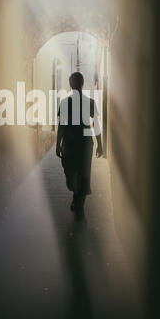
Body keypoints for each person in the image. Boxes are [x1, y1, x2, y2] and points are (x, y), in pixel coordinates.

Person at [56, 72, 103, 219]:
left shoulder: (72, 103)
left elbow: (62, 126)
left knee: (77, 175)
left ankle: (79, 205)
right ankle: (77, 198)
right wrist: (99, 144)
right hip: (80, 145)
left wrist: (58, 144)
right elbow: (62, 125)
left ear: (72, 85)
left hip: (74, 145)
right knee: (78, 175)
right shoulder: (78, 102)